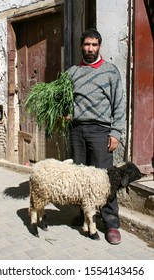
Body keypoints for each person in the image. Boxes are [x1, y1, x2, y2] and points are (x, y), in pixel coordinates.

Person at [66, 28, 125, 245]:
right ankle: (85, 216)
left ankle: (111, 224)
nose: (90, 48)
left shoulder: (110, 71)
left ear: (99, 46)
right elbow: (66, 100)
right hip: (77, 130)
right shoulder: (72, 72)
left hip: (100, 131)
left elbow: (119, 104)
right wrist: (66, 113)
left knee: (104, 179)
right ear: (81, 46)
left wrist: (116, 132)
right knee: (80, 177)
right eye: (87, 44)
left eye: (94, 45)